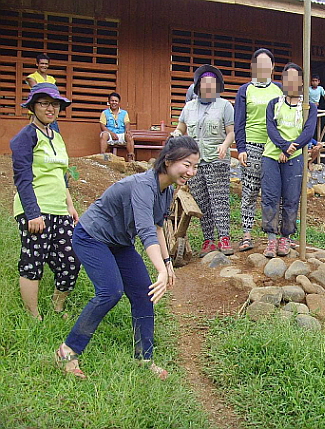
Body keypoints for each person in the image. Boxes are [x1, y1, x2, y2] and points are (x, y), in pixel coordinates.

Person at [55, 136, 200, 380]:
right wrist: (161, 271)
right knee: (110, 291)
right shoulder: (144, 185)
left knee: (144, 294)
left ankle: (144, 359)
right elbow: (144, 231)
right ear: (168, 161)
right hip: (91, 237)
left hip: (119, 242)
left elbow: (156, 227)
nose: (191, 172)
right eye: (187, 164)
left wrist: (167, 263)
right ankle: (67, 350)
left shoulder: (166, 190)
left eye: (194, 166)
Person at [10, 83, 80, 320]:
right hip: (35, 209)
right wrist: (32, 213)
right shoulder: (25, 137)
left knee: (71, 259)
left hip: (59, 209)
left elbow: (61, 174)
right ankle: (34, 316)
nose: (51, 108)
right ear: (33, 107)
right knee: (33, 260)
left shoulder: (57, 136)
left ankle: (57, 306)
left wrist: (70, 205)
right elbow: (22, 178)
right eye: (44, 103)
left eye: (55, 104)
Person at [172, 65, 235, 256]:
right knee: (202, 201)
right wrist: (174, 135)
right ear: (198, 86)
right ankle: (208, 241)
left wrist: (225, 145)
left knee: (219, 199)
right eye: (204, 84)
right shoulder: (189, 107)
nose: (208, 87)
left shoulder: (225, 106)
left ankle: (224, 238)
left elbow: (231, 132)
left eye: (212, 84)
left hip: (217, 159)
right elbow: (180, 129)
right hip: (194, 162)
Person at [262, 63, 317, 257]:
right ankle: (270, 238)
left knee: (292, 198)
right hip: (271, 156)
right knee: (270, 196)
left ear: (301, 82)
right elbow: (271, 128)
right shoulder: (274, 104)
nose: (291, 83)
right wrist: (284, 146)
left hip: (295, 158)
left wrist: (292, 147)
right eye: (287, 79)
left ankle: (286, 237)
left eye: (295, 79)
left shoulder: (309, 107)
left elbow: (308, 131)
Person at [234, 48, 283, 251]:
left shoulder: (280, 89)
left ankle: (272, 235)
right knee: (249, 191)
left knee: (272, 192)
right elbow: (239, 121)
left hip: (273, 147)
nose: (263, 68)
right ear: (253, 67)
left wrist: (284, 146)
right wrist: (241, 148)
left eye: (267, 64)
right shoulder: (245, 90)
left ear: (272, 67)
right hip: (252, 146)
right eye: (259, 64)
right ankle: (246, 235)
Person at [99, 92, 135, 162]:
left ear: (119, 102)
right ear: (109, 102)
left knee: (129, 136)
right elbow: (102, 126)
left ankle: (131, 159)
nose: (114, 102)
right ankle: (103, 157)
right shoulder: (104, 113)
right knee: (104, 135)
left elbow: (127, 123)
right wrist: (111, 133)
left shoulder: (124, 113)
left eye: (116, 101)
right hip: (109, 134)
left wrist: (127, 131)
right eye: (112, 101)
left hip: (121, 134)